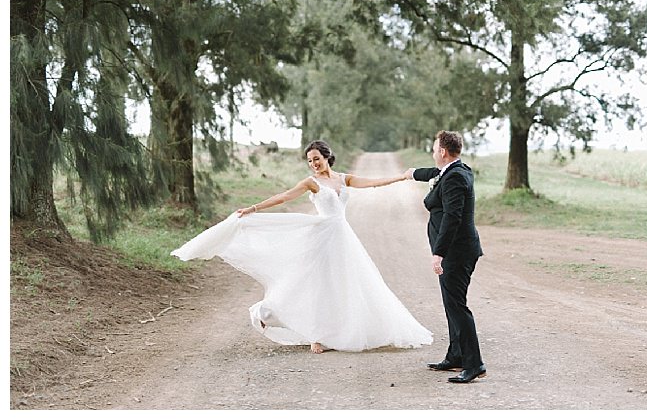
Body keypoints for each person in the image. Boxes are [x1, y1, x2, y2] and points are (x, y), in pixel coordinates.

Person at [172, 140, 432, 354]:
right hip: (321, 235)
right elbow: (284, 196)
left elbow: (373, 183)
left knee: (343, 285)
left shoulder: (344, 179)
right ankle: (308, 332)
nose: (313, 164)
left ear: (327, 157)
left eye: (317, 158)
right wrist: (253, 208)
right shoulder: (311, 183)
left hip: (343, 237)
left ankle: (337, 332)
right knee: (313, 285)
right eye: (310, 160)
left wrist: (402, 176)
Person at [404, 130, 486, 383]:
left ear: (442, 151)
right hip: (456, 251)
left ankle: (474, 364)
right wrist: (412, 173)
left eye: (434, 148)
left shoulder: (454, 178)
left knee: (457, 306)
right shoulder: (454, 170)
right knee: (451, 304)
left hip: (456, 252)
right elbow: (434, 174)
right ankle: (456, 356)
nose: (432, 151)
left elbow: (453, 218)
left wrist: (438, 254)